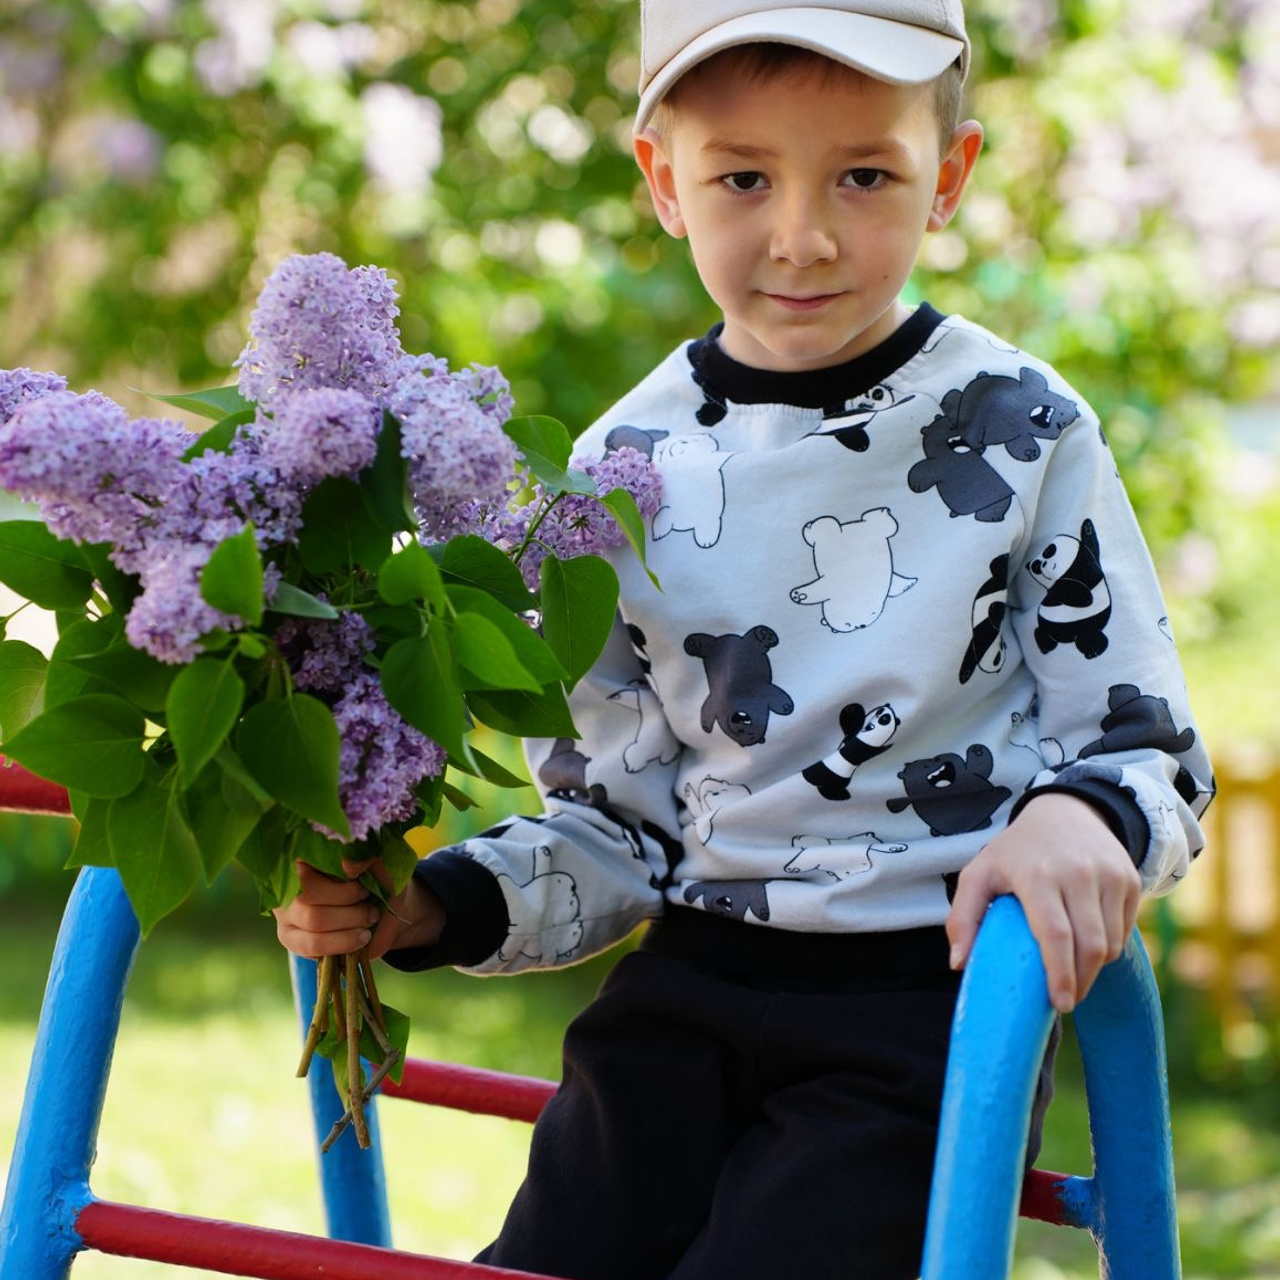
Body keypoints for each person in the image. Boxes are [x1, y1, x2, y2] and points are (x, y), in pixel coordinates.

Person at [275, 3, 1215, 1277]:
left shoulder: (1021, 427)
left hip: (923, 995)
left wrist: (1081, 818)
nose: (803, 235)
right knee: (554, 1247)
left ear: (947, 176)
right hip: (690, 983)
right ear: (664, 183)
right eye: (742, 178)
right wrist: (438, 902)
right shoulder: (621, 469)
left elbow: (1144, 743)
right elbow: (617, 817)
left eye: (864, 175)